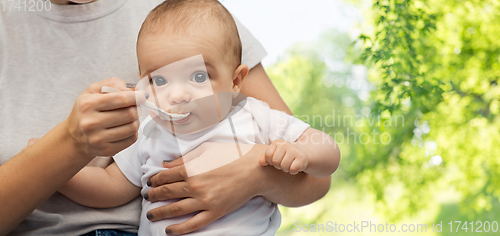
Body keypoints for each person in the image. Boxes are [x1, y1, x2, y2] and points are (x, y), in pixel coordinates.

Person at [0, 0, 334, 235]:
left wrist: (297, 155)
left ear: (235, 80)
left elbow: (322, 157)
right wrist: (56, 159)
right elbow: (113, 186)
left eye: (198, 77)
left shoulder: (254, 116)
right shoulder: (150, 131)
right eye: (160, 81)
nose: (177, 94)